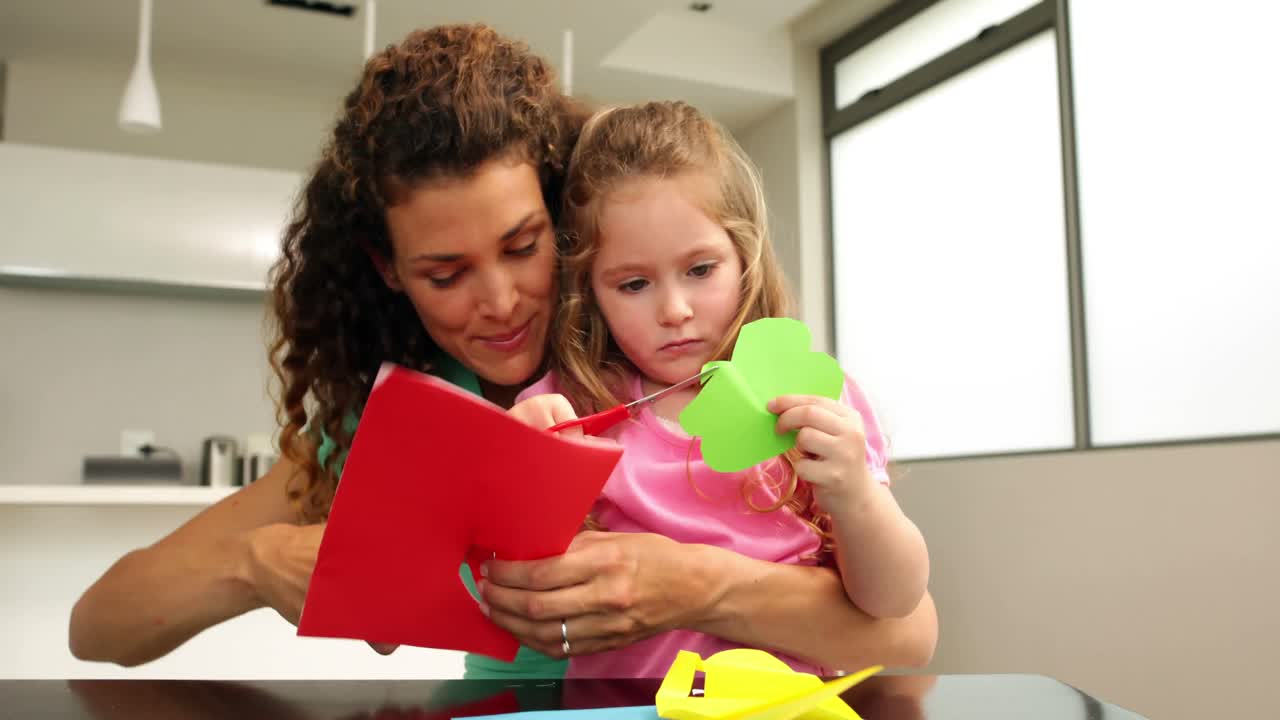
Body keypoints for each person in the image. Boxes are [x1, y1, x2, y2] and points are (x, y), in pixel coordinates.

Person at [68, 24, 937, 679]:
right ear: (390, 271)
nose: (501, 301)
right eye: (445, 273)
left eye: (524, 246)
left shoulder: (670, 374)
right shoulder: (403, 424)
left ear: (572, 227)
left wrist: (694, 584)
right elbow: (99, 627)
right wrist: (259, 565)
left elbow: (907, 628)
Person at [499, 101, 930, 678]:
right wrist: (514, 473)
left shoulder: (813, 396)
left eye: (701, 270)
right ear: (589, 290)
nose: (674, 311)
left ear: (745, 258)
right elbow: (509, 581)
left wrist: (856, 494)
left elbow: (895, 603)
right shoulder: (566, 408)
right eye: (633, 283)